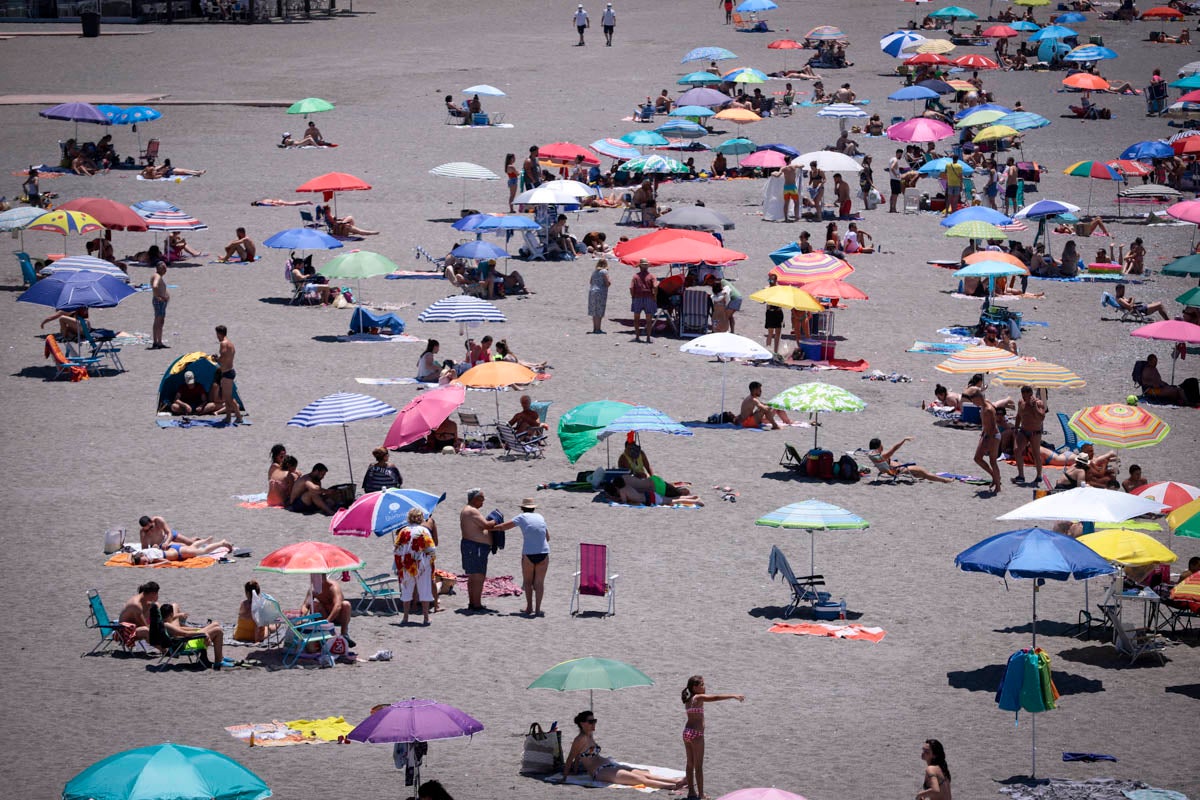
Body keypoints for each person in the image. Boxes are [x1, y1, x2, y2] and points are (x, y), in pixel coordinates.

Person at [564, 711, 687, 790]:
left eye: (594, 721)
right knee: (639, 780)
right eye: (591, 722)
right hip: (599, 771)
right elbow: (571, 757)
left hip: (608, 764)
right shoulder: (579, 739)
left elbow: (578, 757)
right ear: (582, 723)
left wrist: (575, 769)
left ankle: (675, 780)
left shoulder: (590, 734)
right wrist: (564, 778)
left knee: (642, 773)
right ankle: (672, 786)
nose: (594, 724)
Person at [681, 675, 745, 800]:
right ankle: (701, 795)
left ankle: (691, 792)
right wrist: (733, 695)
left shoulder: (688, 699)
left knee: (690, 764)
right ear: (695, 687)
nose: (705, 687)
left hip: (687, 732)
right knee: (698, 766)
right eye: (702, 685)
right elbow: (715, 697)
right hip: (696, 734)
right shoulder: (698, 697)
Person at [493, 498, 550, 616]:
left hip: (529, 553)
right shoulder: (540, 517)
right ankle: (538, 610)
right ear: (534, 508)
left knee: (528, 582)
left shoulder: (521, 517)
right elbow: (547, 537)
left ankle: (529, 608)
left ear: (522, 508)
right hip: (544, 552)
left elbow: (503, 527)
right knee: (539, 583)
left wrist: (487, 527)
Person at [394, 508, 437, 625]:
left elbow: (397, 550)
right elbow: (431, 549)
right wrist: (429, 561)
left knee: (407, 590)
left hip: (406, 565)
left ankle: (405, 617)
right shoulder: (424, 531)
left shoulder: (403, 531)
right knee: (424, 590)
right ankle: (426, 618)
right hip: (422, 565)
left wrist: (399, 566)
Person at [159, 603, 232, 669]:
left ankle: (220, 657)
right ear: (171, 614)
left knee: (215, 624)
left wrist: (196, 629)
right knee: (218, 630)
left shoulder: (165, 622)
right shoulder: (167, 625)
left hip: (187, 640)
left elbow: (180, 629)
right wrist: (202, 633)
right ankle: (218, 661)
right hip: (187, 644)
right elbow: (185, 634)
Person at [459, 488, 495, 612]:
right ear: (475, 499)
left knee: (473, 575)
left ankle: (473, 602)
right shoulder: (471, 511)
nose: (483, 502)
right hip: (475, 547)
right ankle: (476, 604)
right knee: (478, 575)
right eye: (482, 499)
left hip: (473, 546)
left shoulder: (468, 510)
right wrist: (496, 520)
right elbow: (486, 525)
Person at [965, 387, 1002, 494]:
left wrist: (987, 444)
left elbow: (992, 427)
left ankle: (998, 486)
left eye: (974, 401)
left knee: (993, 461)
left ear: (978, 398)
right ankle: (995, 477)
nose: (973, 403)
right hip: (986, 434)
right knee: (977, 458)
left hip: (993, 436)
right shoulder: (984, 404)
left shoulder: (988, 410)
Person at [867, 437, 952, 483]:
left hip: (892, 469)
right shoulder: (883, 456)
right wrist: (903, 440)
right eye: (881, 445)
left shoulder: (873, 455)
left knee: (919, 473)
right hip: (898, 469)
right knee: (922, 471)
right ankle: (944, 480)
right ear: (879, 446)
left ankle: (928, 477)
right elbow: (894, 448)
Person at [305, 574, 354, 646]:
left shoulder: (333, 587)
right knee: (314, 604)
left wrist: (328, 620)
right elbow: (306, 605)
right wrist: (301, 616)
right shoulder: (313, 589)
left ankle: (344, 633)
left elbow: (338, 606)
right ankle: (322, 632)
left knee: (346, 605)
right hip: (323, 614)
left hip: (337, 616)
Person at [1013, 385, 1048, 486]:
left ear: (1031, 394)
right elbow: (1019, 415)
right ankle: (1021, 475)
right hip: (1023, 431)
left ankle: (1038, 475)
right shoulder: (1021, 402)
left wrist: (1034, 408)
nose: (1024, 398)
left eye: (1026, 396)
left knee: (1036, 454)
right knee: (1017, 450)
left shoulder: (1039, 403)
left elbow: (1041, 417)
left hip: (1035, 433)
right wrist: (1016, 428)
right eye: (1023, 395)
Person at [211, 325, 244, 425]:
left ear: (219, 334)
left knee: (228, 397)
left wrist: (216, 359)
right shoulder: (231, 343)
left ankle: (238, 416)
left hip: (227, 373)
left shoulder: (223, 344)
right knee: (226, 397)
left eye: (217, 334)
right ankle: (228, 417)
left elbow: (224, 357)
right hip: (228, 371)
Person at [130, 537, 235, 564]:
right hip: (174, 550)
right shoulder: (144, 552)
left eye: (144, 561)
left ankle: (222, 543)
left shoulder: (151, 558)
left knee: (203, 552)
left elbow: (166, 561)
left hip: (179, 553)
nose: (146, 562)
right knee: (192, 548)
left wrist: (153, 564)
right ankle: (205, 541)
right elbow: (156, 547)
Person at [630, 259, 657, 343]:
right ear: (647, 266)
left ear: (640, 266)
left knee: (636, 318)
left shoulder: (635, 276)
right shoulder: (652, 276)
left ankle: (637, 337)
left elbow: (631, 288)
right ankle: (648, 338)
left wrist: (633, 296)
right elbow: (655, 287)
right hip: (649, 297)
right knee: (649, 319)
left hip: (637, 297)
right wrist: (654, 296)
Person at [148, 262, 170, 350]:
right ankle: (157, 342)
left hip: (160, 302)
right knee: (158, 321)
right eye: (164, 268)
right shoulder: (157, 276)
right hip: (159, 302)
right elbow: (155, 285)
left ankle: (158, 341)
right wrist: (159, 297)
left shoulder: (157, 276)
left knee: (160, 321)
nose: (166, 270)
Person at [589, 258, 611, 334]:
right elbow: (607, 283)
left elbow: (590, 281)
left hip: (592, 292)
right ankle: (598, 329)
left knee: (594, 311)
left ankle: (595, 328)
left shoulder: (594, 272)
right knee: (599, 311)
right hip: (600, 292)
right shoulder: (604, 271)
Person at [888, 149, 906, 213]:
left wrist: (898, 168)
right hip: (895, 180)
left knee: (893, 194)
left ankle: (891, 208)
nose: (901, 156)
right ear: (898, 153)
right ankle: (894, 209)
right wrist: (896, 175)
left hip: (892, 179)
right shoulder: (895, 160)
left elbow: (892, 168)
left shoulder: (891, 159)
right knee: (895, 195)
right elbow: (892, 168)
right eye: (901, 155)